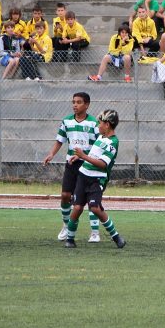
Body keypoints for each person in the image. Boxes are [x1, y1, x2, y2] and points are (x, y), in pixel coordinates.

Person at [41, 92, 102, 242]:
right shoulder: (67, 121)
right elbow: (60, 140)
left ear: (87, 105)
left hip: (87, 164)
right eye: (73, 102)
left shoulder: (93, 123)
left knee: (88, 198)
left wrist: (83, 155)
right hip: (71, 163)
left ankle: (95, 232)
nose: (75, 105)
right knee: (65, 195)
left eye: (79, 102)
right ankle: (66, 225)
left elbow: (98, 145)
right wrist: (51, 154)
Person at [63, 109, 126, 249]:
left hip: (97, 180)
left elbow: (103, 164)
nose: (98, 125)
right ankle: (70, 239)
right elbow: (93, 154)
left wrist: (83, 156)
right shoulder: (101, 137)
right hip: (83, 175)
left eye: (100, 123)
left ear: (107, 124)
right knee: (77, 207)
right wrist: (80, 156)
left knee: (95, 208)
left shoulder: (113, 142)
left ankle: (116, 237)